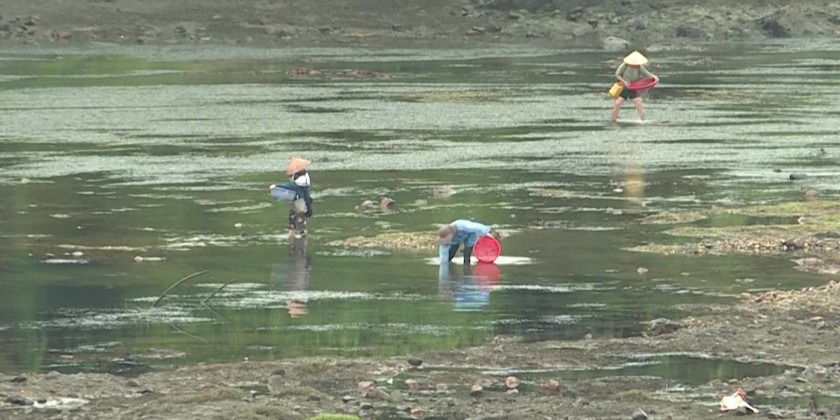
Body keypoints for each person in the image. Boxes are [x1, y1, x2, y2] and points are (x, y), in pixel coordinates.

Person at [270, 157, 313, 240]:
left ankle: (302, 239)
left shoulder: (302, 179)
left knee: (300, 220)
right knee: (292, 219)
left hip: (300, 202)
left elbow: (291, 186)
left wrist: (277, 186)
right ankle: (292, 237)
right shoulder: (300, 175)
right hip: (296, 200)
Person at [611, 51, 659, 123]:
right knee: (617, 103)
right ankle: (613, 120)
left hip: (633, 88)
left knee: (639, 104)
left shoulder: (639, 67)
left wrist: (655, 78)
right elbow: (617, 74)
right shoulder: (625, 65)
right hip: (624, 88)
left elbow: (648, 75)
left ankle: (643, 120)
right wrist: (624, 82)